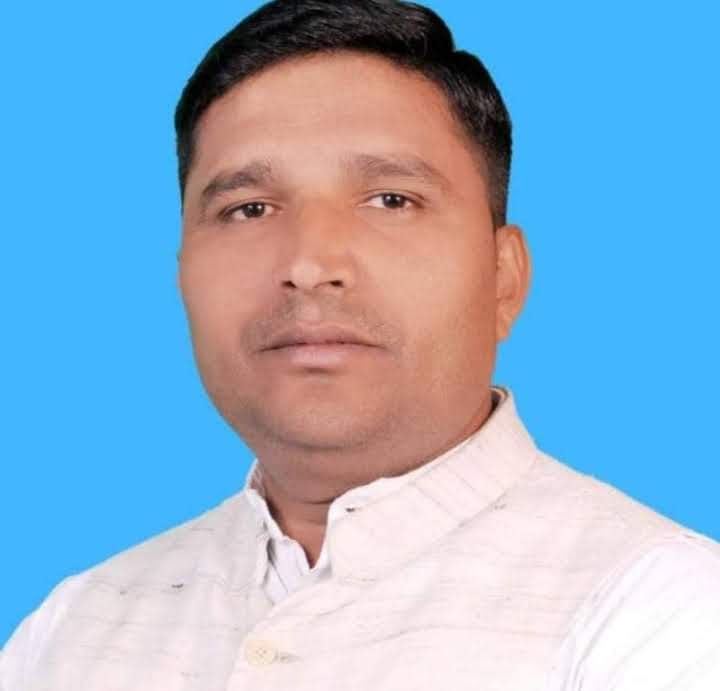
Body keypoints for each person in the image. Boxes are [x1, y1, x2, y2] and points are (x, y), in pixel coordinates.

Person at [2, 0, 719, 688]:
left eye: (390, 200)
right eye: (249, 208)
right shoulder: (72, 629)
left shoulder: (666, 616)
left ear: (504, 278)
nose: (309, 264)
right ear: (182, 272)